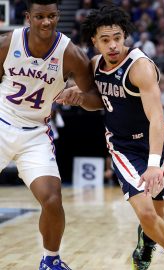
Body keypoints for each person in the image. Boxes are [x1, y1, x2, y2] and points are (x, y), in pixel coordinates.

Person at [76, 5, 164, 270]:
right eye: (105, 40)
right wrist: (79, 97)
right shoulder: (94, 65)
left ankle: (145, 245)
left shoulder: (140, 67)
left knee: (158, 215)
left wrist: (153, 164)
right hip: (122, 145)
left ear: (125, 35)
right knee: (147, 212)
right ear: (94, 41)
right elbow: (101, 102)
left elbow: (155, 116)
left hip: (154, 141)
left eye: (117, 37)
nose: (113, 45)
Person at [0, 0, 101, 269]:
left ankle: (51, 260)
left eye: (52, 16)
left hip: (35, 134)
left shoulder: (70, 54)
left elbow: (96, 98)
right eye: (40, 16)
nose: (47, 22)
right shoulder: (8, 43)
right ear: (28, 17)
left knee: (52, 199)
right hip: (2, 123)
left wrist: (79, 98)